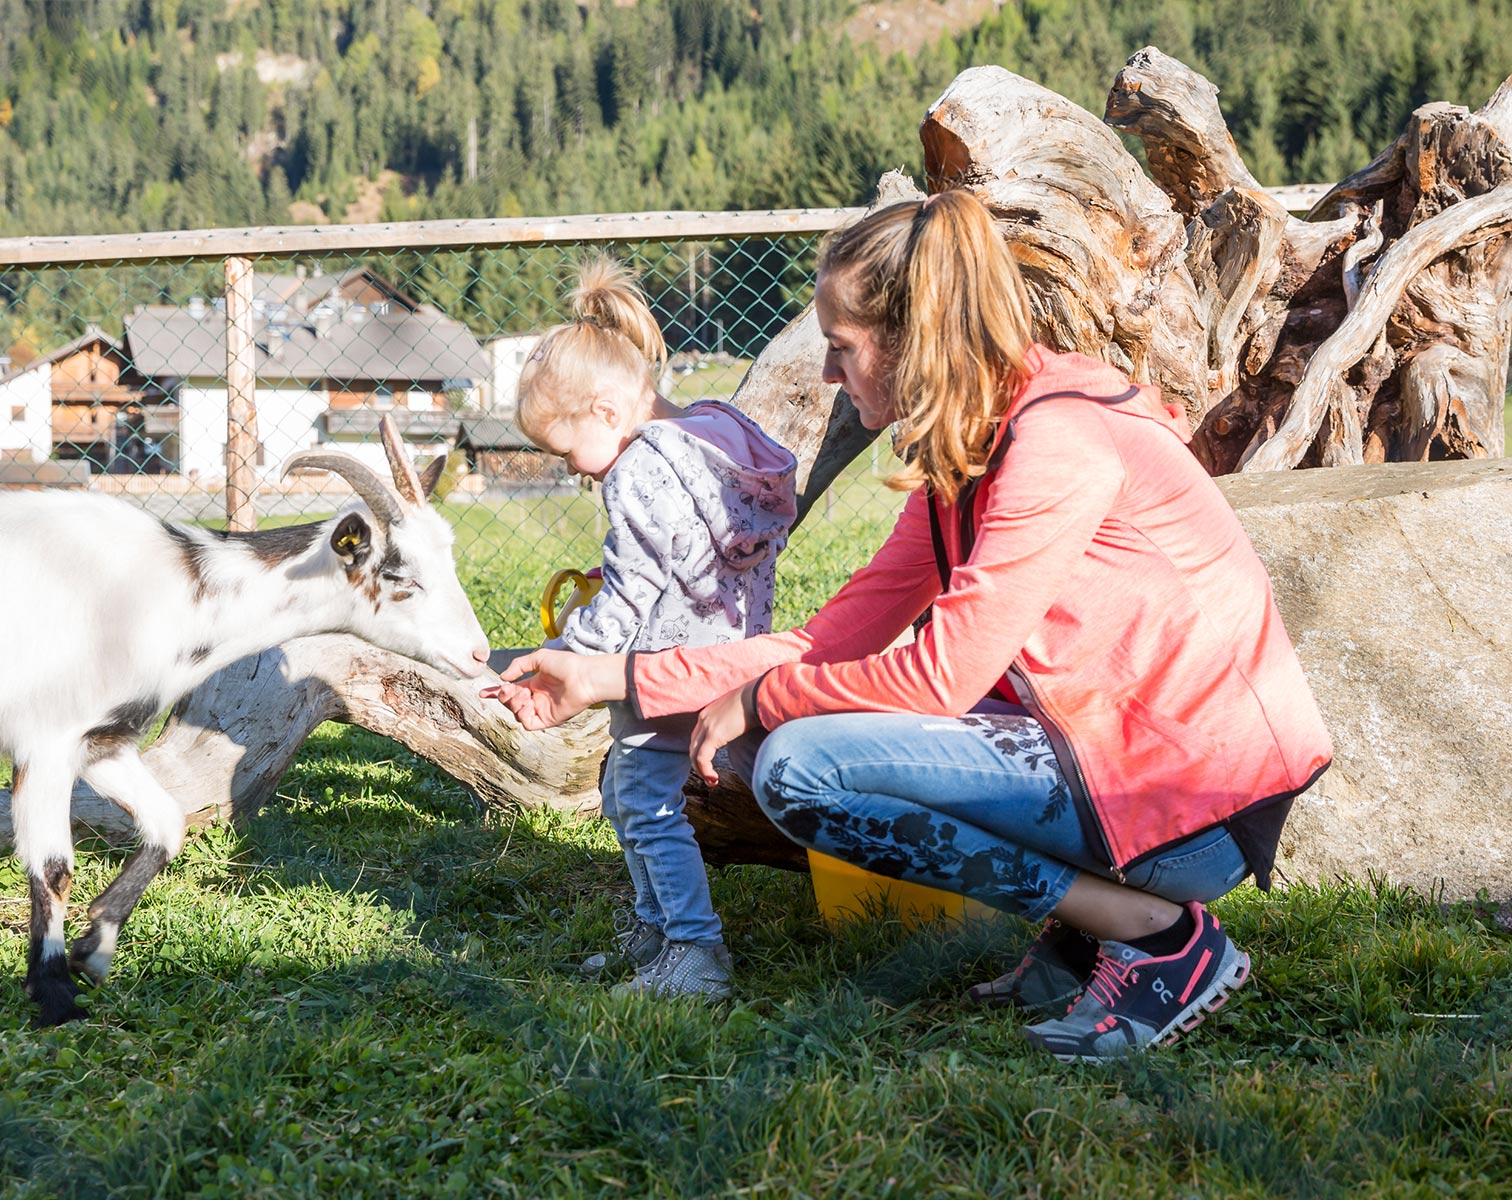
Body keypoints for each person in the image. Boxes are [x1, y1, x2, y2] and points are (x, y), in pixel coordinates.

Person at [485, 192, 1332, 1061]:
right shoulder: (977, 445)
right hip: (1118, 751)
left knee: (802, 768)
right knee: (791, 738)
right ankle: (1091, 933)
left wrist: (767, 698)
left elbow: (938, 679)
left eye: (841, 347)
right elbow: (828, 640)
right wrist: (608, 678)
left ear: (912, 336)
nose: (827, 375)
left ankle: (1154, 936)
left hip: (1194, 799)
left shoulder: (1056, 442)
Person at [514, 256, 797, 1000]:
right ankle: (656, 932)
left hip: (655, 670)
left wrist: (569, 652)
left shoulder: (640, 469)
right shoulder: (719, 434)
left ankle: (693, 952)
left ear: (606, 412)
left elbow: (633, 591)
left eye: (566, 450)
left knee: (645, 805)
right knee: (631, 798)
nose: (577, 471)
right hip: (721, 658)